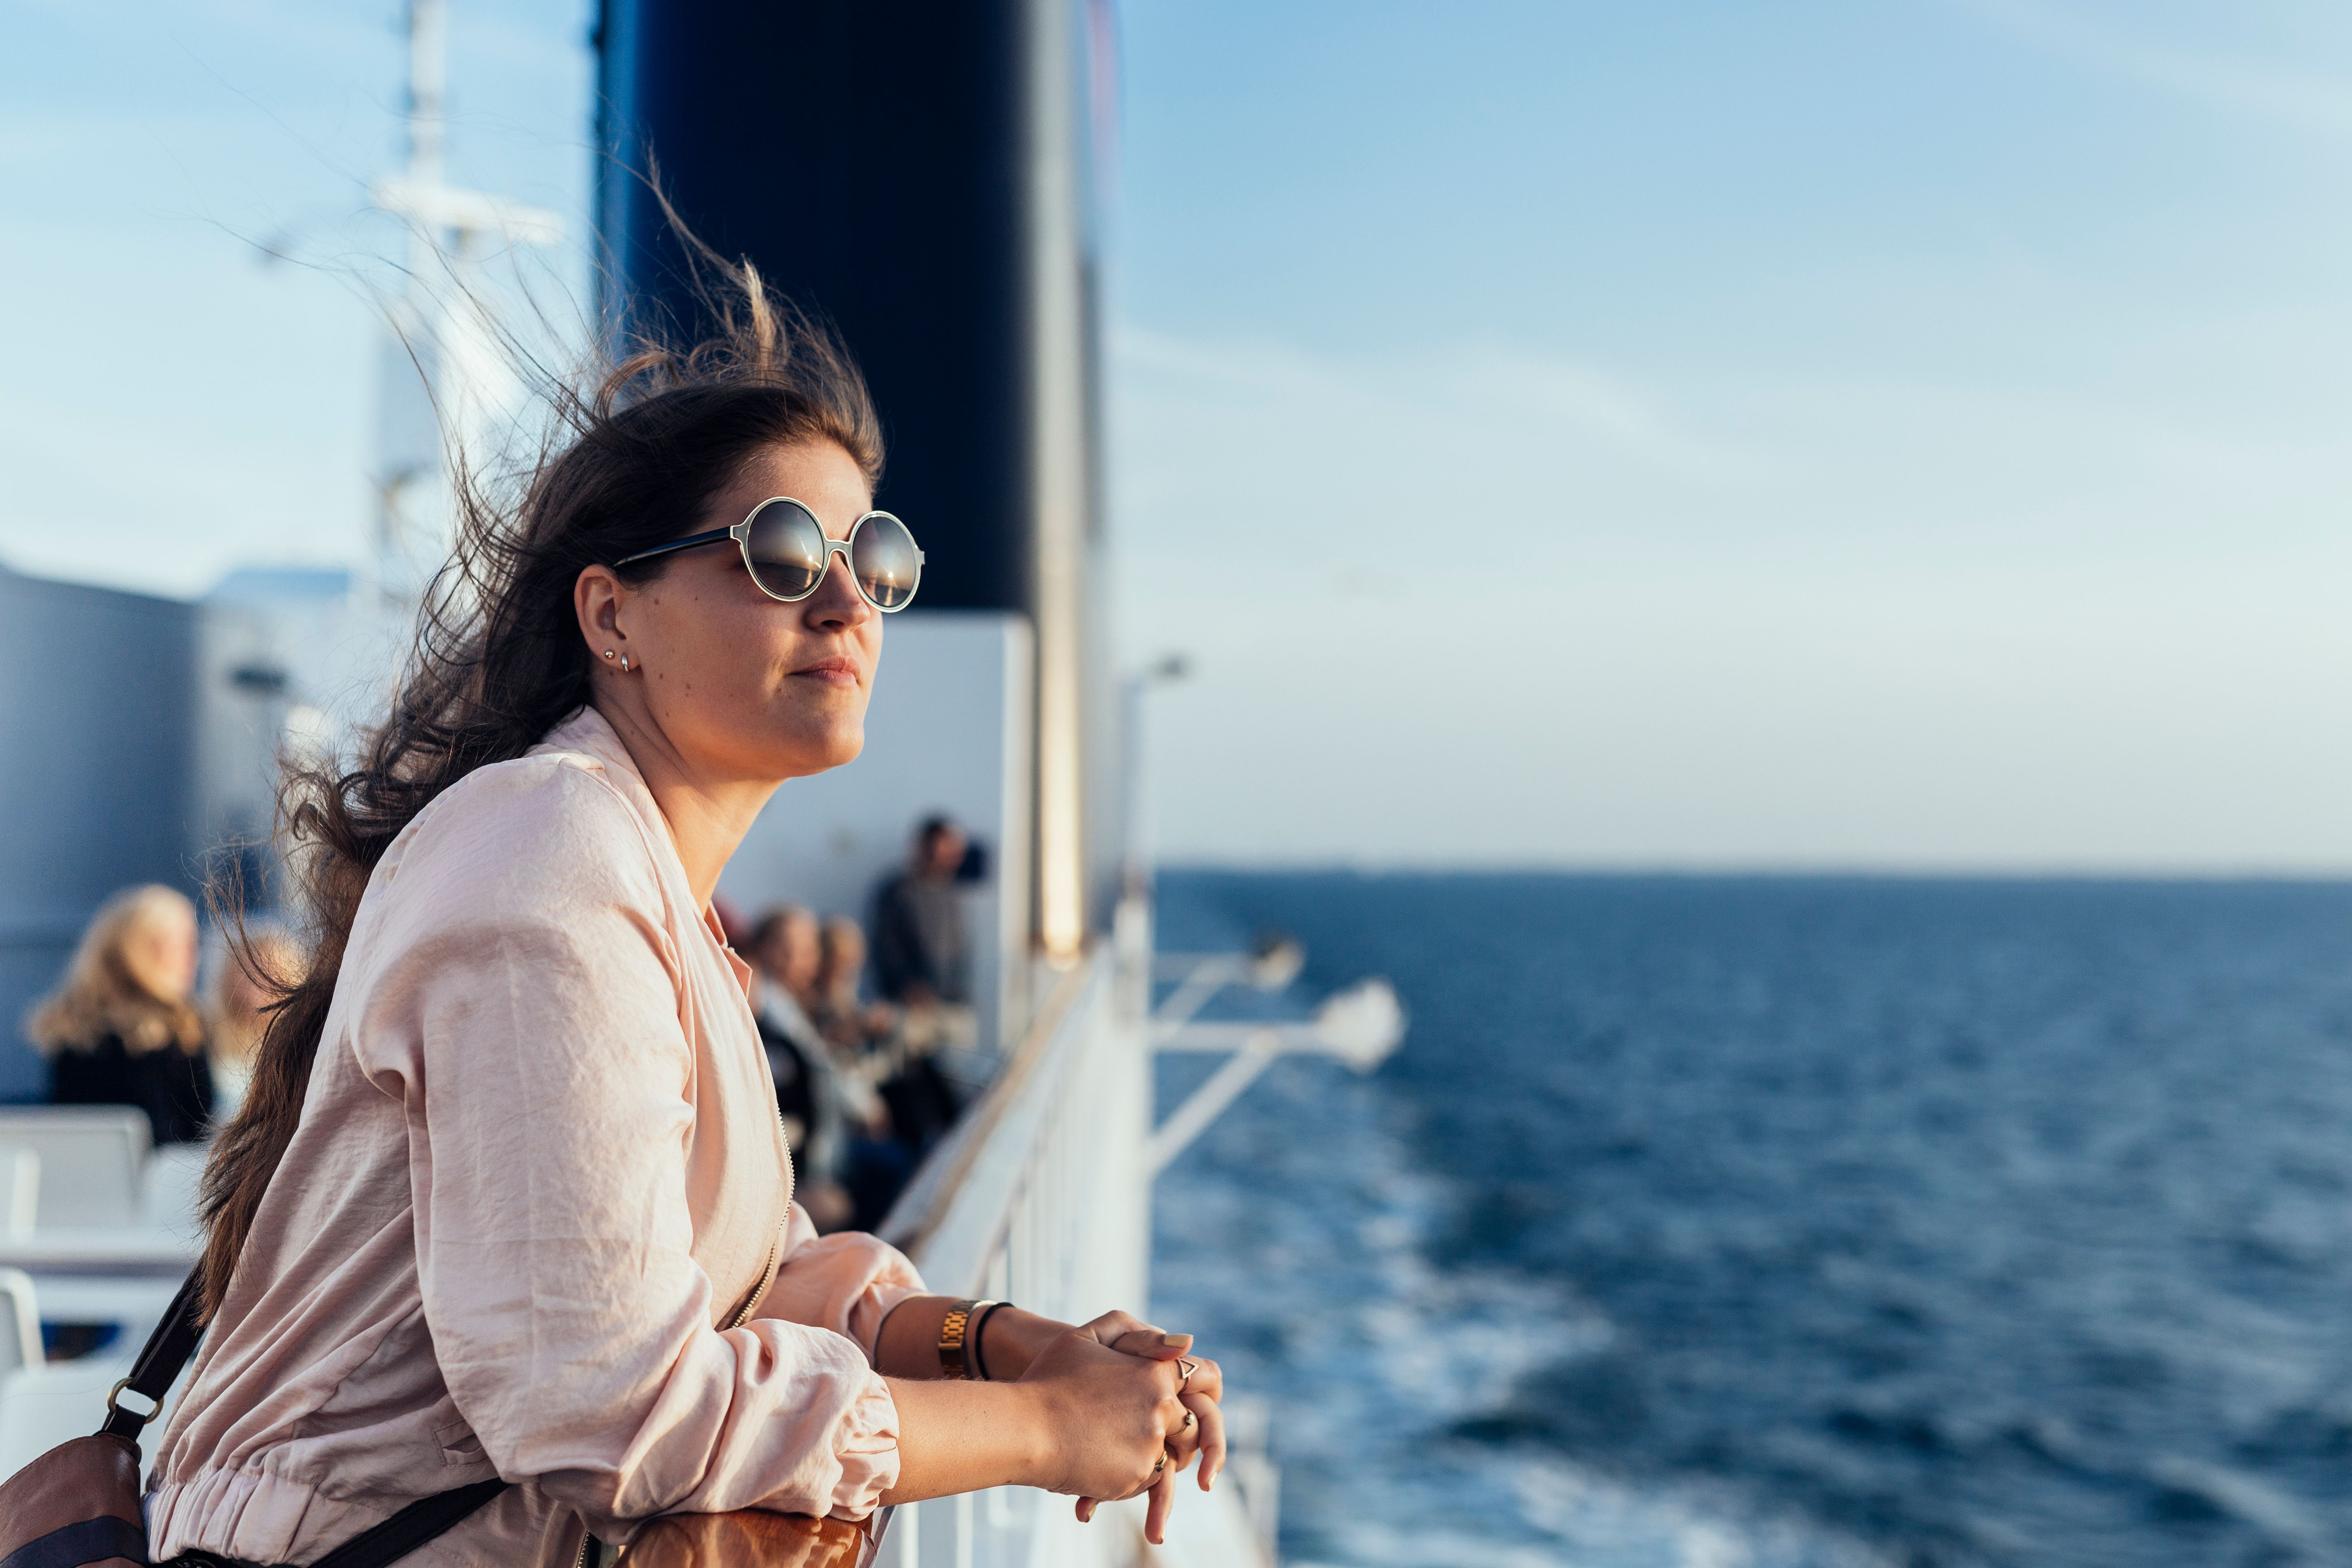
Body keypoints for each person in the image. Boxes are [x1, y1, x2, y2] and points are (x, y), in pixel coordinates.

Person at [147, 263, 1223, 1567]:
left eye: (873, 559)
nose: (846, 602)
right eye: (779, 552)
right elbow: (613, 1406)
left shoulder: (645, 881)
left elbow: (758, 1276)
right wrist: (1044, 1428)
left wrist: (1012, 1343)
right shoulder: (552, 850)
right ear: (613, 614)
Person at [25, 884, 215, 1147]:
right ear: (136, 951)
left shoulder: (70, 1028)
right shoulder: (178, 1032)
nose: (192, 957)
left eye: (193, 943)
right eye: (175, 944)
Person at [744, 905, 854, 1232]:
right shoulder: (764, 1014)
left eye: (809, 951)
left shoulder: (800, 1007)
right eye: (791, 951)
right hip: (790, 1179)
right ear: (765, 950)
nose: (805, 962)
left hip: (817, 1161)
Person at [870, 816, 970, 1006]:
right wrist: (907, 985)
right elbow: (887, 947)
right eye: (937, 850)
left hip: (950, 1002)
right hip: (907, 1006)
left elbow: (959, 951)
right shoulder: (898, 892)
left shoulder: (952, 895)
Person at [205, 927, 303, 1122]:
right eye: (246, 974)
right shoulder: (204, 1034)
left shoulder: (301, 1041)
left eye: (268, 973)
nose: (255, 984)